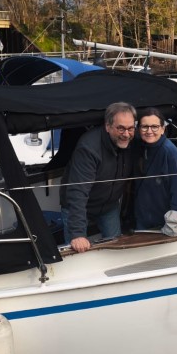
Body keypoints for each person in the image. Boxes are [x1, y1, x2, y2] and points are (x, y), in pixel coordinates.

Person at [60, 102, 136, 253]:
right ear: (107, 127)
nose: (126, 134)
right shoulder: (89, 148)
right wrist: (78, 234)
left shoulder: (131, 141)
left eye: (130, 128)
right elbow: (78, 192)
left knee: (116, 248)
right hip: (80, 205)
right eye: (120, 128)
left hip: (109, 206)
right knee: (76, 254)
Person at [133, 108, 177, 238]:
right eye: (145, 127)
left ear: (162, 129)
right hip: (143, 214)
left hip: (161, 220)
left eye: (154, 127)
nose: (149, 131)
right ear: (138, 129)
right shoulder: (141, 146)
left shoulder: (170, 153)